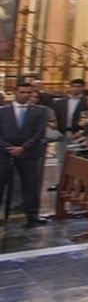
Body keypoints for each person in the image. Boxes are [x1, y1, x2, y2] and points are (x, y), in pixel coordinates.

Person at [0, 83, 49, 226]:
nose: (25, 95)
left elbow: (39, 132)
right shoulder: (3, 111)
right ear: (15, 92)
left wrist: (23, 148)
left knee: (30, 185)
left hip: (28, 153)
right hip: (4, 153)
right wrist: (8, 148)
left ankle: (32, 215)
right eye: (22, 92)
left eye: (29, 92)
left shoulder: (40, 111)